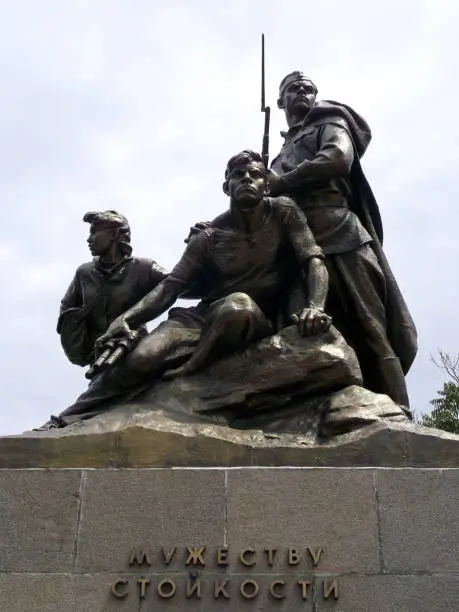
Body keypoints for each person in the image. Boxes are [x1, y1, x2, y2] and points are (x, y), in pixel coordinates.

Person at [39, 150, 332, 429]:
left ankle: (183, 380)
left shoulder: (284, 211)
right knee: (142, 356)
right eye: (238, 174)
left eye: (255, 174)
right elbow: (171, 287)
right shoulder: (208, 236)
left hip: (253, 317)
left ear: (266, 184)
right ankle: (71, 417)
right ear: (225, 186)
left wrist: (315, 307)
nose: (246, 179)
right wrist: (127, 319)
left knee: (237, 306)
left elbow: (313, 260)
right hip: (202, 318)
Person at [268, 71, 417, 410]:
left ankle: (398, 414)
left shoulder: (329, 123)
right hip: (296, 244)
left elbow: (337, 158)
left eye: (309, 88)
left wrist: (284, 181)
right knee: (297, 332)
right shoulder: (278, 154)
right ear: (281, 101)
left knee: (371, 327)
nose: (303, 93)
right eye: (294, 89)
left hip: (339, 230)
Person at [36, 210, 168, 430]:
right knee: (104, 388)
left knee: (113, 386)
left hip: (132, 347)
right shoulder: (84, 272)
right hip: (99, 354)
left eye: (95, 232)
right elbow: (68, 309)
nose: (89, 239)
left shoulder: (144, 268)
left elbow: (179, 284)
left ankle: (61, 422)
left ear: (116, 235)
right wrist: (82, 339)